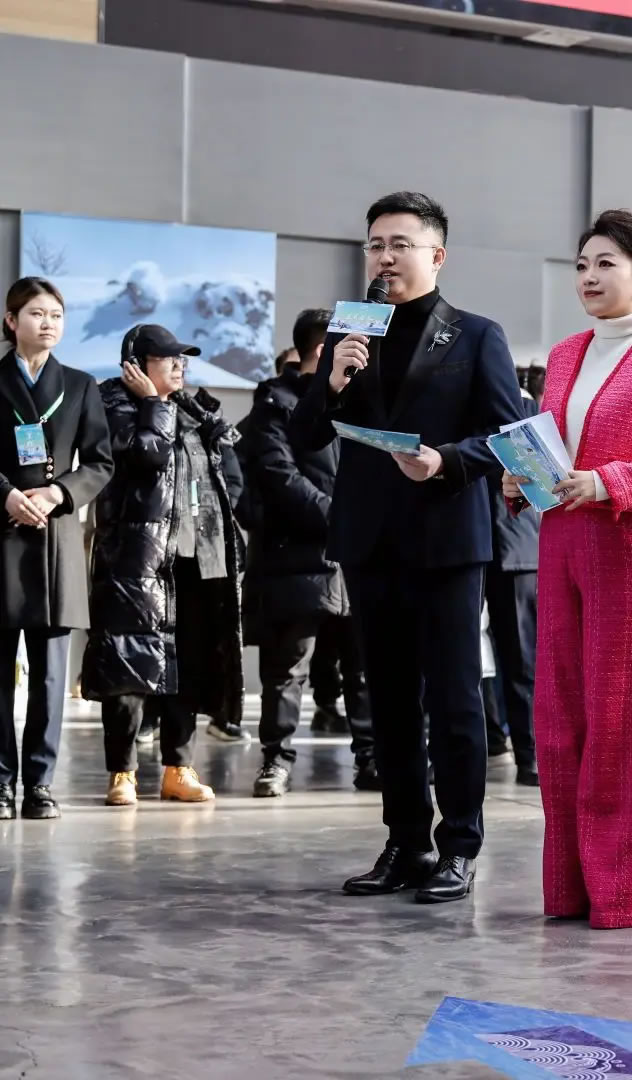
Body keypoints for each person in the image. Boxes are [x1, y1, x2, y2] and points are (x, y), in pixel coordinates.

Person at [293, 191, 522, 904]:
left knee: (454, 701)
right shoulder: (349, 333)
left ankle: (460, 845)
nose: (385, 257)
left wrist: (445, 461)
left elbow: (506, 436)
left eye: (400, 244)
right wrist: (333, 382)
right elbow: (305, 436)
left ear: (436, 255)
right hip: (370, 540)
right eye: (375, 245)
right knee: (388, 701)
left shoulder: (476, 335)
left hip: (447, 540)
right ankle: (405, 842)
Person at [504, 208, 632, 929]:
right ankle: (566, 890)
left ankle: (617, 897)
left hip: (626, 545)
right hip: (559, 538)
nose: (588, 277)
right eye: (582, 265)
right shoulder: (565, 354)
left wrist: (609, 481)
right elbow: (554, 445)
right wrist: (522, 478)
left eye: (605, 264)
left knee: (618, 724)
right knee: (558, 720)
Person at [83, 324, 246, 807]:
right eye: (168, 358)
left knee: (187, 666)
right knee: (129, 664)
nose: (180, 366)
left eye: (183, 359)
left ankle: (179, 768)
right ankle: (123, 772)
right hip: (137, 559)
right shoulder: (113, 404)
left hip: (195, 559)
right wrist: (153, 402)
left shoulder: (191, 411)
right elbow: (146, 454)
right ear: (135, 365)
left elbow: (226, 475)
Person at [241, 307, 378, 797]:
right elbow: (280, 477)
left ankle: (371, 760)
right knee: (288, 670)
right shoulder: (274, 406)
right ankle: (276, 760)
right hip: (297, 560)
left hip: (354, 559)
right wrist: (343, 517)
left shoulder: (359, 402)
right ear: (323, 351)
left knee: (363, 669)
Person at [0, 277, 113, 820]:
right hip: (2, 532)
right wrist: (6, 494)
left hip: (54, 537)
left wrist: (58, 492)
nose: (48, 323)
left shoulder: (80, 385)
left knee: (49, 675)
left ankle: (40, 784)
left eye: (56, 316)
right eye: (37, 313)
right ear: (11, 320)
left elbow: (100, 462)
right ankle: (1, 782)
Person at [484, 391, 540, 787]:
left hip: (513, 544)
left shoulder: (519, 404)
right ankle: (459, 751)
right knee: (455, 659)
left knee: (521, 660)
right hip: (458, 542)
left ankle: (530, 752)